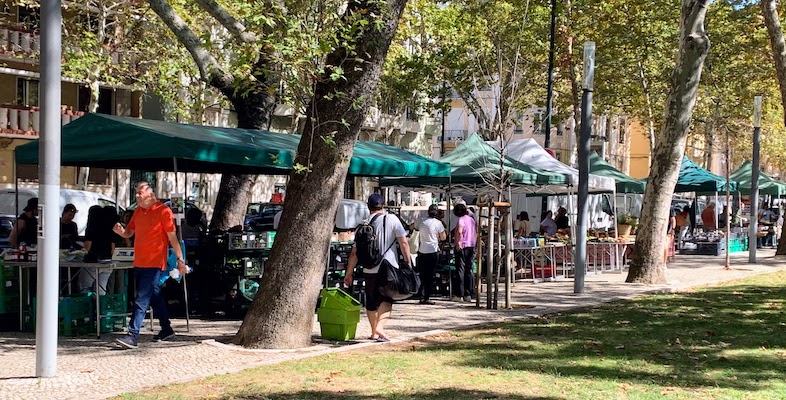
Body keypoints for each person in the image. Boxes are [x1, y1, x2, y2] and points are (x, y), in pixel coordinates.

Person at [112, 182, 187, 349]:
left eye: (140, 192)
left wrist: (180, 259)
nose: (137, 195)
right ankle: (166, 328)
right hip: (139, 261)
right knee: (153, 295)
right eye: (136, 192)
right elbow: (130, 232)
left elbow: (172, 238)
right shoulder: (138, 212)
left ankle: (132, 335)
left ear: (151, 194)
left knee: (141, 298)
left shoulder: (164, 211)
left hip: (154, 262)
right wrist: (121, 232)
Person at [344, 194, 411, 342]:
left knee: (371, 301)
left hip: (369, 268)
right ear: (383, 205)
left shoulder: (363, 225)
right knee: (387, 299)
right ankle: (380, 327)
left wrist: (349, 273)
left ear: (368, 206)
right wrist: (408, 261)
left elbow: (354, 252)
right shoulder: (392, 219)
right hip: (388, 267)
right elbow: (403, 242)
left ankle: (374, 332)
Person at [77, 205, 114, 295]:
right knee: (101, 289)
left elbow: (87, 248)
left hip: (92, 262)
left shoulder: (91, 228)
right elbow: (113, 248)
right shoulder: (110, 229)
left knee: (84, 288)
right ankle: (99, 307)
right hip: (107, 262)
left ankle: (88, 308)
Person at [416, 204, 446, 305]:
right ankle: (426, 296)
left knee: (422, 274)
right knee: (430, 275)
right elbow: (443, 238)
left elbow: (412, 226)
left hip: (422, 251)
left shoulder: (421, 220)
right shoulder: (438, 223)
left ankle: (421, 295)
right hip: (432, 251)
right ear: (436, 213)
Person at [452, 203, 476, 302]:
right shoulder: (471, 219)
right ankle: (468, 293)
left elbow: (459, 231)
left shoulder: (461, 219)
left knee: (460, 270)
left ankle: (459, 294)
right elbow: (475, 232)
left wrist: (458, 242)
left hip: (463, 246)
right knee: (468, 270)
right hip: (471, 245)